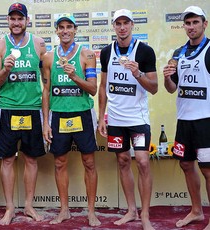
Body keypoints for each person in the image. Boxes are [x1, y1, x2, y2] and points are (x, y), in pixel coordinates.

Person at [98, 9, 158, 230]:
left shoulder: (145, 52)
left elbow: (154, 88)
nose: (122, 27)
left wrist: (138, 74)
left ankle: (145, 215)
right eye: (118, 23)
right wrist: (101, 117)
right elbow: (103, 87)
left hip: (138, 119)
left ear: (132, 25)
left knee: (142, 162)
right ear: (113, 26)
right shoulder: (106, 52)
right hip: (115, 119)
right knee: (123, 162)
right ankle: (131, 210)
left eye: (126, 23)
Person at [0, 2, 46, 225]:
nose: (16, 22)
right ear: (8, 21)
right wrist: (6, 69)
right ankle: (10, 208)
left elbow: (46, 82)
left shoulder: (39, 44)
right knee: (8, 159)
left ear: (26, 21)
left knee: (31, 159)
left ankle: (29, 205)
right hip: (8, 108)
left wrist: (46, 116)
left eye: (20, 18)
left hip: (32, 109)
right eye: (12, 18)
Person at [42, 14, 101, 227]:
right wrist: (45, 122)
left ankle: (91, 212)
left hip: (82, 114)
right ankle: (64, 210)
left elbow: (93, 89)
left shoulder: (87, 54)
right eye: (61, 27)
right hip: (58, 116)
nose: (65, 30)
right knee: (59, 163)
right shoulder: (49, 57)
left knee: (89, 162)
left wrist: (76, 76)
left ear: (75, 30)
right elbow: (46, 90)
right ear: (56, 31)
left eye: (69, 27)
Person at [163, 6, 210, 229]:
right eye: (188, 23)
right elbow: (172, 89)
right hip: (185, 119)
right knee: (185, 164)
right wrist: (167, 78)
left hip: (206, 120)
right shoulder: (178, 53)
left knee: (208, 169)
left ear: (204, 24)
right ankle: (196, 211)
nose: (191, 27)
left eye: (195, 22)